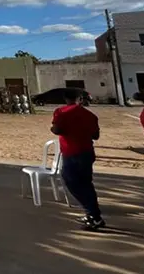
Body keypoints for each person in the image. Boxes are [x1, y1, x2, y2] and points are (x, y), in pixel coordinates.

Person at [51, 87, 104, 230]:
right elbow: (96, 136)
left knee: (71, 182)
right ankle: (92, 213)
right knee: (86, 183)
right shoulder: (91, 116)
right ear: (80, 99)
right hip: (86, 151)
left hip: (71, 152)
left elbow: (56, 130)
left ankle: (93, 214)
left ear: (65, 99)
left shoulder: (61, 112)